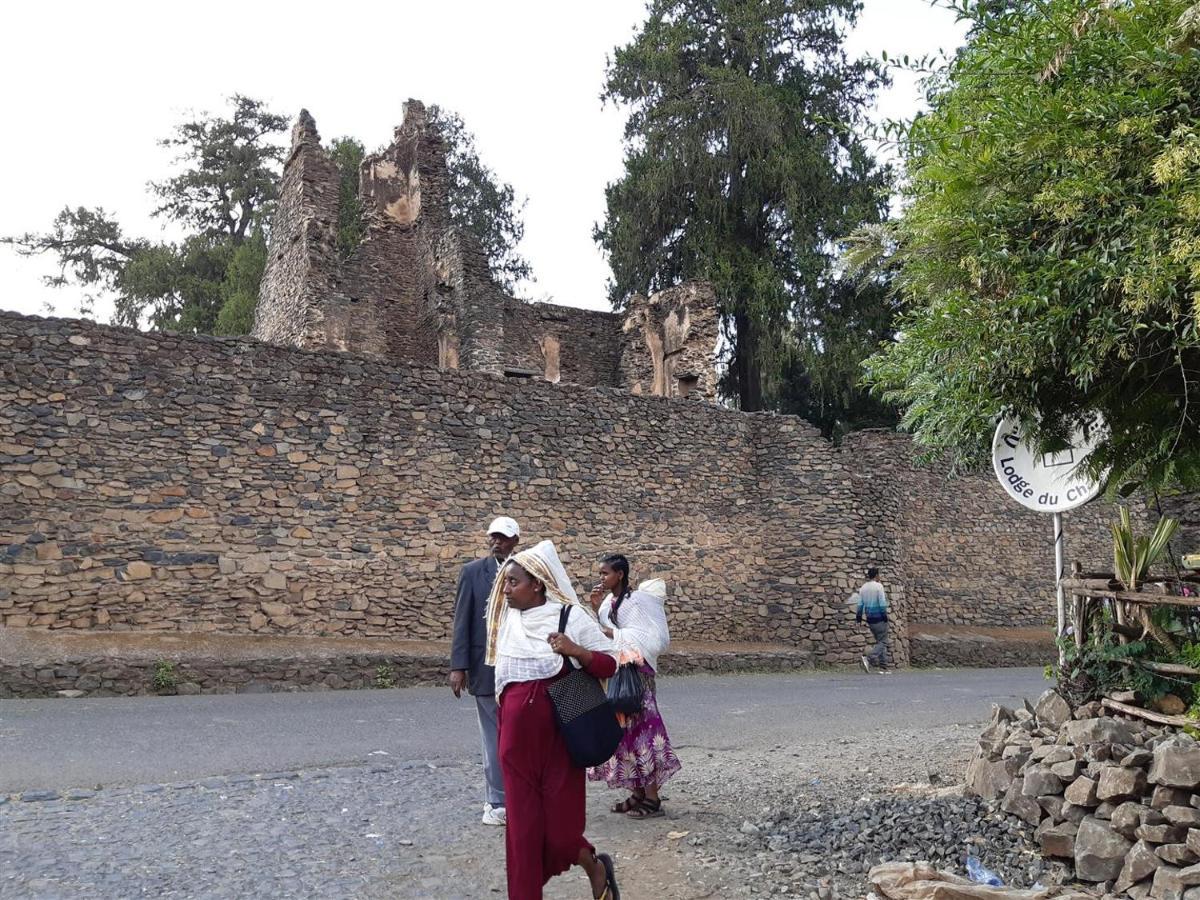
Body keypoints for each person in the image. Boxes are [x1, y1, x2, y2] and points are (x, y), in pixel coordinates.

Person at [485, 539, 622, 900]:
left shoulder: (569, 616)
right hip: (515, 745)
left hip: (561, 740)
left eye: (514, 582)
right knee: (523, 836)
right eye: (505, 582)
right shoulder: (505, 619)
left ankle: (594, 866)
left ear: (538, 584)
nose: (507, 589)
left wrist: (575, 650)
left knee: (561, 833)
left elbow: (610, 662)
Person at [587, 554, 681, 820]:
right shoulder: (609, 601)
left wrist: (613, 634)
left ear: (619, 574)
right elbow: (608, 632)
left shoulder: (637, 601)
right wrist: (597, 610)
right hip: (619, 674)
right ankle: (638, 793)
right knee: (625, 737)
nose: (601, 578)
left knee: (644, 735)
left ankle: (653, 799)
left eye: (605, 573)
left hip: (637, 678)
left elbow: (652, 638)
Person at [449, 515, 520, 826]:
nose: (497, 542)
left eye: (503, 537)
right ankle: (497, 800)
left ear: (516, 540)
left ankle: (521, 796)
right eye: (494, 536)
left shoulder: (529, 570)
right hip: (486, 668)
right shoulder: (473, 573)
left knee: (519, 737)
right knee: (492, 737)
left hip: (520, 667)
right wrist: (458, 667)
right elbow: (462, 621)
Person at [856, 566, 890, 673]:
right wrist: (885, 617)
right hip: (879, 618)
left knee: (880, 641)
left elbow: (860, 605)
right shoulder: (878, 586)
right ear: (876, 575)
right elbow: (882, 603)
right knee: (883, 642)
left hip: (870, 620)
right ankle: (868, 658)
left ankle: (883, 667)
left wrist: (858, 619)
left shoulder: (863, 588)